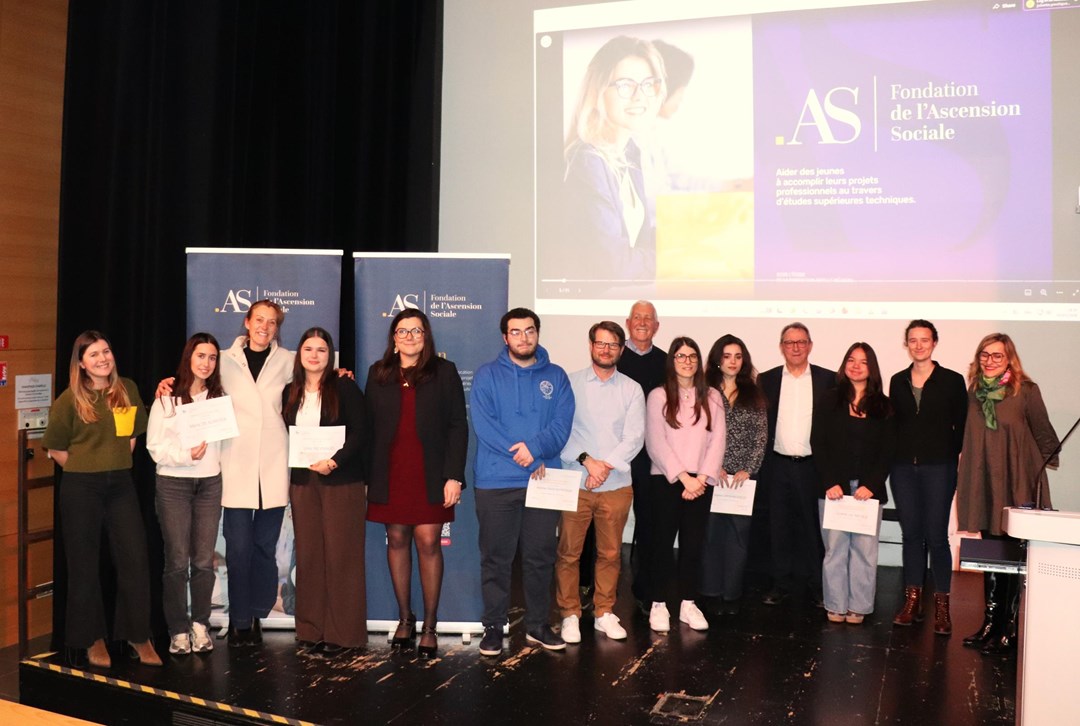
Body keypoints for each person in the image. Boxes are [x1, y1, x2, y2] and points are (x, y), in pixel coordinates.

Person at [43, 331, 162, 668]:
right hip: (81, 487)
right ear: (81, 363)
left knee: (135, 559)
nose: (102, 359)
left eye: (106, 351)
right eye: (93, 354)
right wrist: (86, 469)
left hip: (121, 485)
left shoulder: (126, 388)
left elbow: (132, 436)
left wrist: (114, 466)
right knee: (84, 565)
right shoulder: (70, 400)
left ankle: (138, 636)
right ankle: (92, 638)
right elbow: (55, 448)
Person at [471, 308, 575, 656]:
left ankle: (537, 625)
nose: (523, 338)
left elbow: (562, 426)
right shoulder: (486, 375)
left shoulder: (557, 376)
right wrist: (524, 454)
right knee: (496, 558)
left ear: (538, 333)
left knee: (539, 557)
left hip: (544, 478)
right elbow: (485, 427)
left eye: (529, 331)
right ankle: (493, 626)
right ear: (505, 337)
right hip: (496, 480)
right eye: (516, 332)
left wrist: (538, 451)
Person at [365, 310, 468, 659]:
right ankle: (405, 619)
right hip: (389, 473)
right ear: (393, 338)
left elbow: (458, 426)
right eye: (402, 330)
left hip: (430, 474)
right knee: (396, 538)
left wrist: (454, 475)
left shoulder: (444, 372)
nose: (409, 336)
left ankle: (430, 624)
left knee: (427, 542)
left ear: (426, 337)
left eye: (416, 331)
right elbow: (366, 425)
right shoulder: (378, 374)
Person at [957, 333, 1059, 655]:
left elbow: (1044, 434)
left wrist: (1039, 473)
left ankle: (1010, 628)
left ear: (1009, 359)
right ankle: (990, 623)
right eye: (984, 355)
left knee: (1014, 557)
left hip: (1017, 482)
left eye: (997, 356)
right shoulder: (973, 392)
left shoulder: (1025, 391)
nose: (989, 360)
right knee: (991, 556)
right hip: (985, 483)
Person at [556, 321, 645, 644]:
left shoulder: (631, 389)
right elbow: (560, 431)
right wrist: (587, 462)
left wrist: (604, 467)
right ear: (591, 345)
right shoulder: (570, 383)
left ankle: (604, 611)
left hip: (616, 484)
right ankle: (569, 614)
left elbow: (634, 437)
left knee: (610, 553)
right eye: (600, 343)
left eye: (612, 345)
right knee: (569, 553)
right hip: (575, 482)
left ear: (621, 349)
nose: (606, 350)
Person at [281, 327, 367, 657]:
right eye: (308, 349)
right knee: (310, 556)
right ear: (299, 355)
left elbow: (361, 433)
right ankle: (310, 629)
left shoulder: (344, 386)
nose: (314, 355)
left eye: (321, 349)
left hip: (340, 481)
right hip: (303, 483)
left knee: (342, 556)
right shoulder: (290, 391)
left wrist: (335, 461)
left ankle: (344, 635)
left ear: (329, 355)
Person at [560, 36, 665, 281]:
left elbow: (639, 240)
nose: (640, 96)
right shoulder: (587, 160)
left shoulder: (629, 151)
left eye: (648, 84)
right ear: (597, 91)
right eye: (625, 85)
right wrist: (676, 260)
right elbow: (613, 265)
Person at [146, 332, 226, 655]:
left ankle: (201, 625)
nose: (206, 363)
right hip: (174, 485)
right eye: (200, 356)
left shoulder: (221, 399)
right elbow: (154, 447)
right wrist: (185, 456)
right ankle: (178, 629)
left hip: (209, 484)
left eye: (212, 358)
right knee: (177, 561)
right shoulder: (167, 398)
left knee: (204, 561)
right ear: (188, 358)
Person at [888, 320, 967, 635]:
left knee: (936, 536)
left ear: (935, 342)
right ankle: (912, 603)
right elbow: (893, 426)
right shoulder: (897, 381)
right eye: (913, 340)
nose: (918, 345)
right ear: (906, 344)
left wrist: (950, 457)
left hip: (939, 468)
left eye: (924, 340)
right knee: (911, 535)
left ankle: (942, 608)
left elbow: (961, 428)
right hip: (903, 468)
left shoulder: (951, 380)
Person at [644, 337, 725, 633]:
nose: (687, 361)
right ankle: (659, 604)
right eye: (680, 356)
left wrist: (701, 478)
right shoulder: (658, 396)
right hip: (667, 480)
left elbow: (718, 441)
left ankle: (688, 603)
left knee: (693, 544)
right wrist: (683, 477)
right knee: (662, 544)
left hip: (701, 482)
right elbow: (655, 442)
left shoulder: (713, 397)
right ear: (672, 361)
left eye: (692, 356)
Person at [812, 343, 894, 625]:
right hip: (834, 490)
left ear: (872, 368)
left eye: (863, 362)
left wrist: (871, 484)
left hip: (867, 492)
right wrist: (830, 482)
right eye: (851, 360)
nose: (856, 366)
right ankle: (835, 603)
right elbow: (818, 443)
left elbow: (888, 450)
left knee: (864, 552)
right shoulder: (829, 399)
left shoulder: (883, 405)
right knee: (834, 550)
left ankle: (859, 605)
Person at [757, 323, 834, 607]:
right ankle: (781, 584)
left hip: (813, 466)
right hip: (777, 465)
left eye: (801, 342)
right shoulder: (766, 380)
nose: (796, 347)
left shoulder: (829, 380)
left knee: (813, 529)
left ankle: (817, 585)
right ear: (782, 347)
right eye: (790, 343)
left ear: (810, 345)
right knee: (778, 527)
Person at [701, 334, 766, 616]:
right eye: (727, 356)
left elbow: (761, 436)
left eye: (738, 357)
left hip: (741, 479)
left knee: (738, 537)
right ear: (717, 359)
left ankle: (732, 593)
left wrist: (747, 469)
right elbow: (696, 433)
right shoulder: (703, 391)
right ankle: (710, 591)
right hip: (711, 474)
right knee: (710, 535)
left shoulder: (753, 392)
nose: (733, 362)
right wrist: (713, 466)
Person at [617, 300, 666, 611]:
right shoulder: (614, 356)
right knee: (602, 526)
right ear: (627, 322)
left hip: (653, 455)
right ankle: (590, 591)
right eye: (638, 317)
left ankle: (645, 590)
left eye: (649, 318)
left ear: (657, 326)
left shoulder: (666, 362)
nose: (643, 322)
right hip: (616, 455)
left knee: (650, 526)